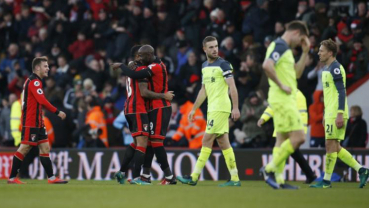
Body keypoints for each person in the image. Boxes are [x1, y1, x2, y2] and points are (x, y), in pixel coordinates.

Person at [176, 36, 241, 187]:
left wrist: (235, 107)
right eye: (211, 47)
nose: (215, 49)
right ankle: (235, 178)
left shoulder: (224, 65)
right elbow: (203, 90)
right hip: (212, 109)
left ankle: (193, 177)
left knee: (206, 140)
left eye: (216, 46)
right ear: (204, 49)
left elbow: (232, 87)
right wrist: (194, 109)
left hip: (220, 107)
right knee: (224, 143)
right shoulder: (204, 66)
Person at [310, 39, 369, 188]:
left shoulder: (336, 68)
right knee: (335, 147)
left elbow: (342, 92)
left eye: (321, 50)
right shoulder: (326, 69)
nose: (319, 53)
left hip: (336, 112)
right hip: (330, 112)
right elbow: (329, 95)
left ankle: (326, 181)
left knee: (330, 145)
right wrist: (324, 113)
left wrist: (340, 113)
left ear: (330, 53)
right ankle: (362, 170)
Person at [111, 45, 174, 185]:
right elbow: (144, 92)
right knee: (144, 143)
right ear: (137, 56)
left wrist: (124, 66)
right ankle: (139, 177)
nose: (140, 58)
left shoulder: (139, 68)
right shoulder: (140, 70)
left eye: (142, 55)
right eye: (138, 55)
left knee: (140, 143)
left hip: (131, 108)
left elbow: (133, 75)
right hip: (139, 108)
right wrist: (164, 95)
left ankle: (125, 172)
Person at [260, 20, 311, 189]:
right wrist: (281, 85)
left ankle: (279, 181)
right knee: (299, 138)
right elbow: (267, 65)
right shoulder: (280, 46)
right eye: (301, 40)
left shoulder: (286, 50)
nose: (300, 43)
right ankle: (268, 169)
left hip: (283, 100)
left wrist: (305, 53)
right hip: (283, 100)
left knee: (281, 141)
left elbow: (296, 74)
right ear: (296, 33)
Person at [8, 56, 67, 184]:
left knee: (45, 148)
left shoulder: (34, 81)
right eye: (45, 66)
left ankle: (51, 178)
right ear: (37, 68)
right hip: (31, 122)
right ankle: (12, 178)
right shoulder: (34, 81)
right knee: (24, 148)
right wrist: (58, 112)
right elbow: (42, 100)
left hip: (38, 122)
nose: (48, 68)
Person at [258, 90, 317, 184]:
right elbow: (272, 107)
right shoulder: (281, 93)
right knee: (294, 154)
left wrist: (301, 130)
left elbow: (302, 114)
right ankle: (310, 175)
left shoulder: (298, 96)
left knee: (284, 152)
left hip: (292, 129)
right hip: (282, 128)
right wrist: (264, 118)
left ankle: (270, 170)